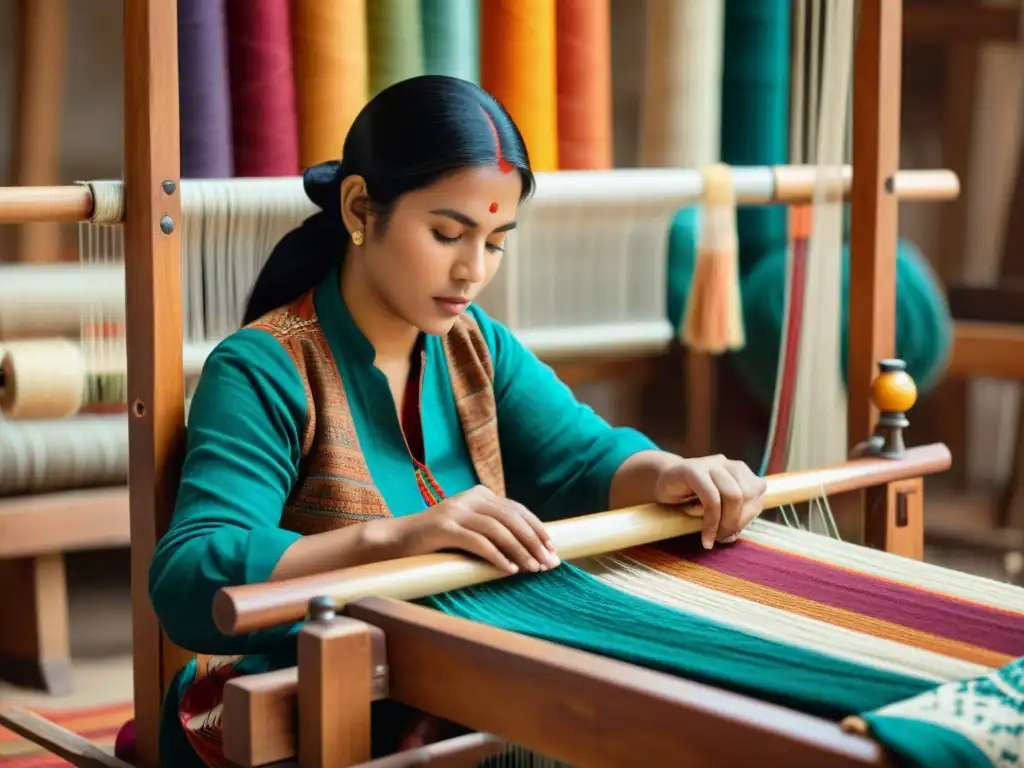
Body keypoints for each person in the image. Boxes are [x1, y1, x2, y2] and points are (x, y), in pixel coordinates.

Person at [145, 75, 767, 766]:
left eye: (497, 241)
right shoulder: (264, 368)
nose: (473, 270)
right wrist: (395, 541)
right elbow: (191, 574)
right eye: (448, 233)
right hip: (313, 707)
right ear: (360, 207)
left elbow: (585, 461)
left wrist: (674, 474)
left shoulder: (476, 347)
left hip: (462, 685)